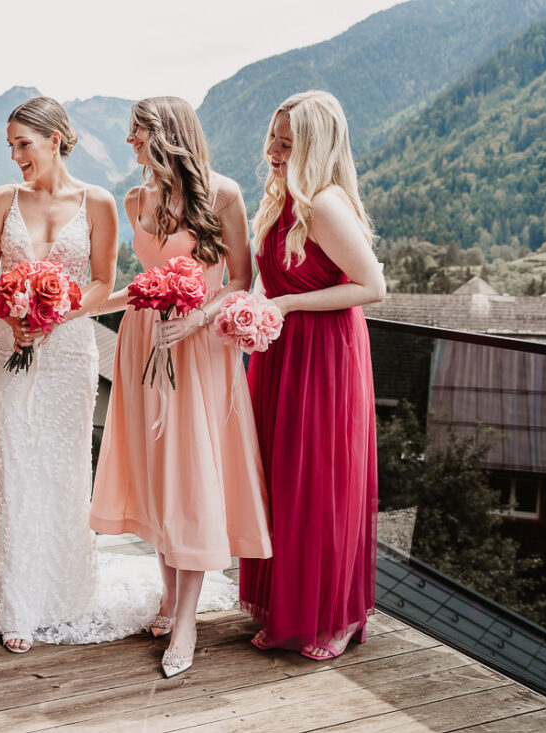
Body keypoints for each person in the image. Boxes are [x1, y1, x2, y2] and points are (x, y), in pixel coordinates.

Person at [89, 97, 272, 677]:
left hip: (200, 347)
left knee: (191, 477)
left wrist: (194, 319)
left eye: (136, 132)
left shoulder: (224, 194)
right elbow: (140, 285)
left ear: (166, 135)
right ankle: (169, 597)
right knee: (154, 472)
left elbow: (242, 278)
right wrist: (76, 311)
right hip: (144, 342)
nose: (129, 142)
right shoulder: (135, 198)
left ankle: (188, 619)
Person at [239, 90, 383, 661]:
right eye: (273, 138)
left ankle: (338, 615)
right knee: (281, 480)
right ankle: (288, 607)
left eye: (287, 142)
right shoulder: (283, 201)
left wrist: (289, 308)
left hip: (324, 356)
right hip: (281, 355)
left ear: (314, 147)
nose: (273, 151)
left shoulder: (324, 204)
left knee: (320, 483)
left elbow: (372, 286)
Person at [0, 97, 118, 653]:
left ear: (56, 139)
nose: (14, 156)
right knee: (12, 470)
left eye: (22, 144)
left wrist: (57, 313)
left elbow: (104, 282)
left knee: (62, 472)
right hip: (6, 343)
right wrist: (14, 315)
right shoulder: (3, 200)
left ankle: (63, 598)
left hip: (69, 351)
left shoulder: (98, 203)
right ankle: (14, 605)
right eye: (10, 145)